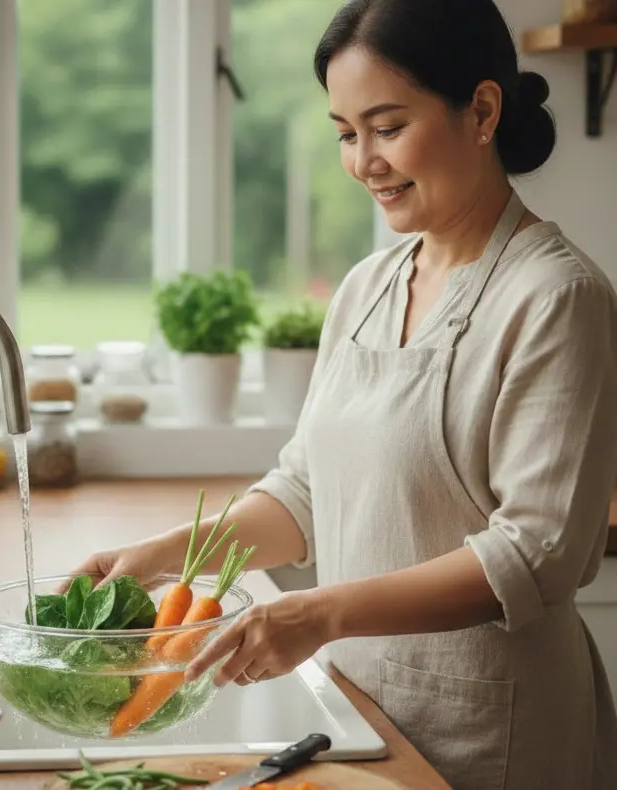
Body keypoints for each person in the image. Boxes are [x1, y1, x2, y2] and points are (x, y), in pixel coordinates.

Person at [65, 1, 617, 788]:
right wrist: (160, 560)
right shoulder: (367, 286)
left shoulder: (556, 298)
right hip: (362, 712)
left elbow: (537, 554)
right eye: (345, 133)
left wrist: (318, 613)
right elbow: (304, 493)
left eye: (387, 128)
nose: (363, 162)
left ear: (483, 110)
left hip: (492, 730)